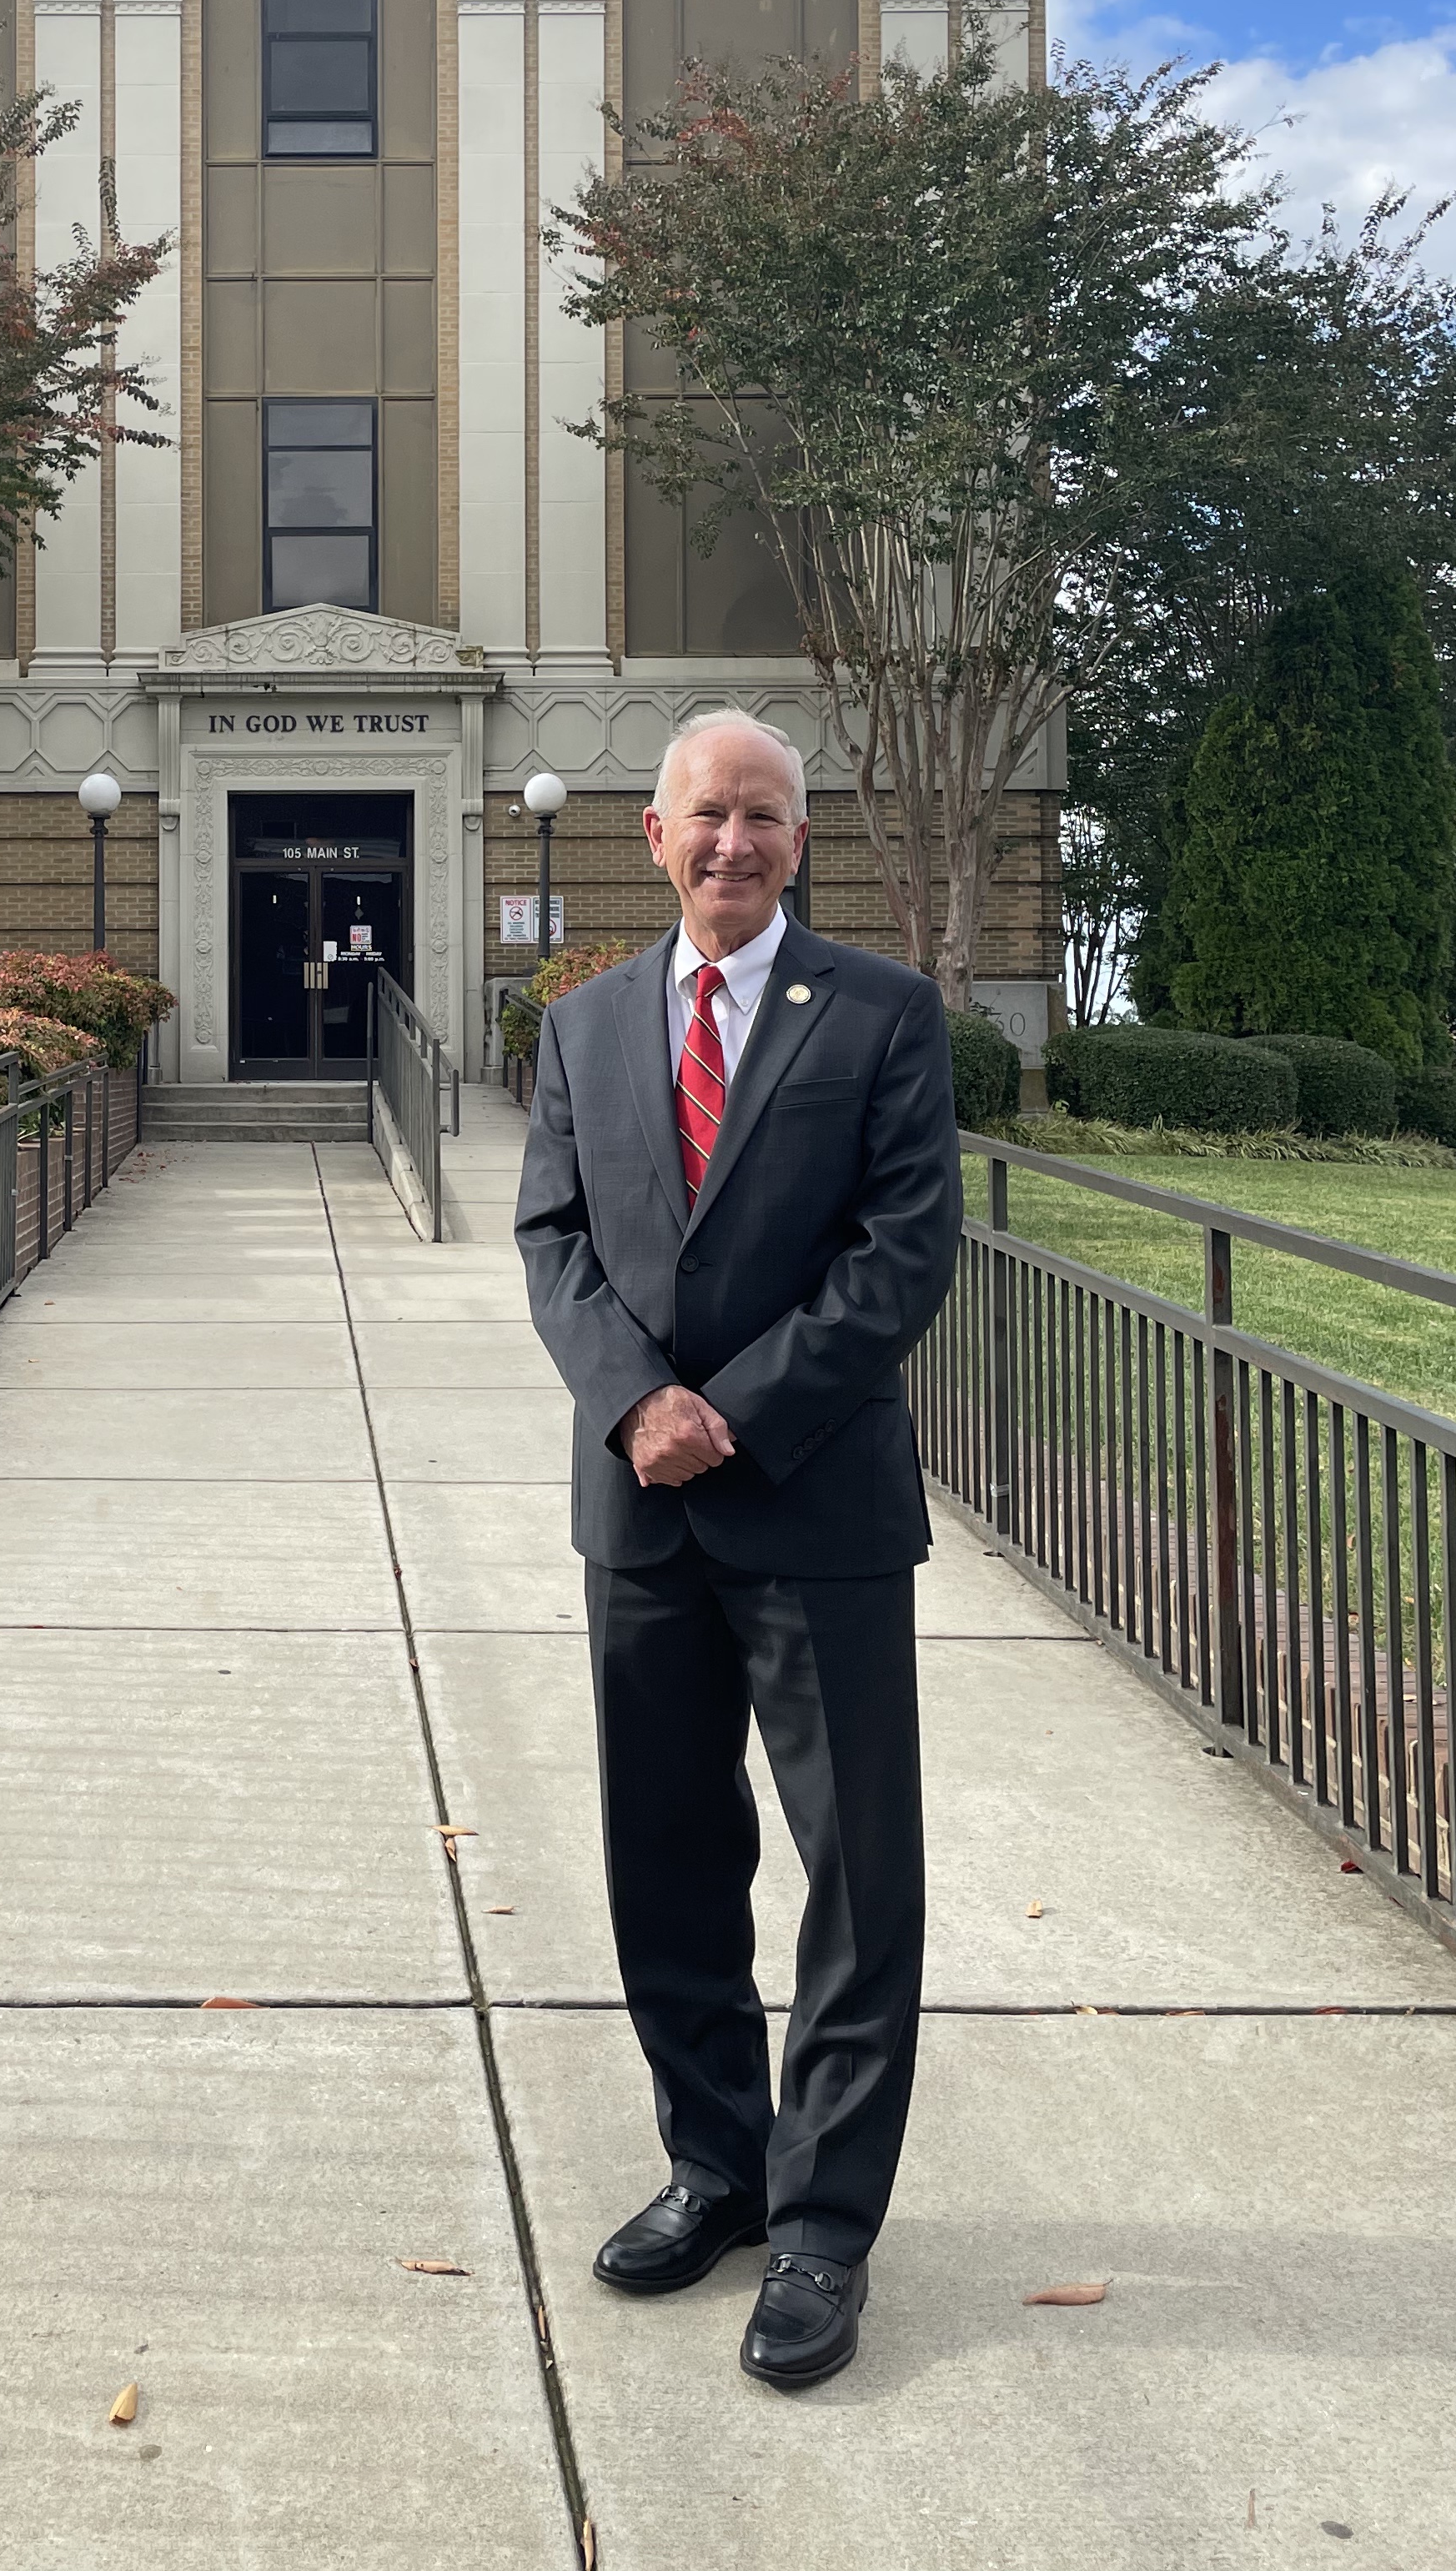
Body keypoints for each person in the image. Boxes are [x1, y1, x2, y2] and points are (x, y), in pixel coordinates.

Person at [514, 708, 962, 2389]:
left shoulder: (883, 1015)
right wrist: (640, 1405)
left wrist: (739, 1409)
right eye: (709, 815)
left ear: (799, 835)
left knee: (858, 1874)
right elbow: (553, 1237)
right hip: (641, 1510)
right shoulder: (587, 1030)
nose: (735, 843)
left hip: (818, 1504)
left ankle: (828, 2225)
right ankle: (718, 2166)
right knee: (669, 1855)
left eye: (764, 817)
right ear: (654, 834)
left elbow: (903, 1247)